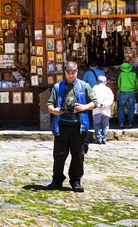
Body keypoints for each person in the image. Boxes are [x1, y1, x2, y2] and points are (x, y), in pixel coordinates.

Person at [46, 61, 98, 192]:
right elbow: (49, 104)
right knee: (59, 154)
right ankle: (57, 180)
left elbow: (95, 102)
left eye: (73, 72)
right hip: (62, 125)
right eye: (68, 72)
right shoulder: (58, 87)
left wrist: (84, 107)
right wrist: (54, 110)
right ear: (64, 73)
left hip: (78, 126)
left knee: (78, 155)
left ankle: (75, 181)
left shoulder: (84, 86)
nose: (71, 75)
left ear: (77, 72)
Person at [117, 56, 138, 128]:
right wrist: (135, 89)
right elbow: (136, 81)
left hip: (123, 90)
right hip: (131, 91)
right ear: (130, 62)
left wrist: (119, 88)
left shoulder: (120, 69)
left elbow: (118, 81)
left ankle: (121, 123)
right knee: (131, 107)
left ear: (123, 61)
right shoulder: (134, 70)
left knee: (121, 107)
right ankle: (130, 123)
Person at [92, 75, 114, 144]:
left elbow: (92, 98)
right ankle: (104, 138)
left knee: (97, 124)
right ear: (105, 82)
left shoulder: (94, 88)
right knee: (105, 125)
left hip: (96, 110)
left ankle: (98, 139)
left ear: (98, 82)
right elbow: (111, 99)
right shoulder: (108, 89)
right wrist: (105, 105)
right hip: (106, 110)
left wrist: (98, 105)